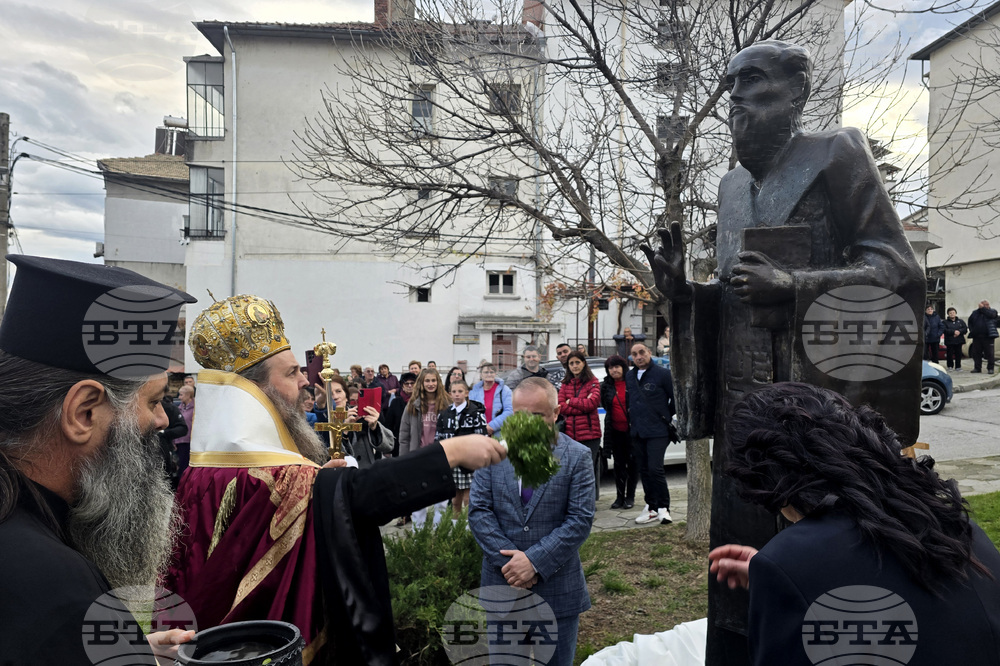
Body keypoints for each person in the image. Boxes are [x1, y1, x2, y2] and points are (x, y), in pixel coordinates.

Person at [642, 40, 925, 664]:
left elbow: (898, 271)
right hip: (742, 423)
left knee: (814, 575)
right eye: (731, 85)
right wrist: (684, 295)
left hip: (813, 420)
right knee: (735, 590)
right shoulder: (730, 187)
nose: (735, 98)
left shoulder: (837, 153)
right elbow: (733, 300)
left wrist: (795, 286)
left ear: (797, 91)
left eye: (752, 80)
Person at [170, 295, 506, 664]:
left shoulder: (198, 474)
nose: (305, 380)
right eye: (291, 373)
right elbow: (357, 496)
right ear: (252, 392)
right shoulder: (272, 476)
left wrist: (318, 484)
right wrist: (451, 454)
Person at [708, 382, 1000, 666]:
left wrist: (789, 575)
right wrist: (791, 580)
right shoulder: (953, 525)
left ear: (761, 477)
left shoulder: (793, 561)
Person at [0, 255, 199, 664]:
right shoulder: (59, 591)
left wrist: (129, 652)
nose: (163, 420)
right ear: (84, 412)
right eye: (153, 401)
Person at [469, 378, 595, 666]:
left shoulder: (577, 457)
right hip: (503, 586)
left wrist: (534, 562)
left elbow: (580, 519)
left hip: (557, 592)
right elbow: (479, 512)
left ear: (556, 413)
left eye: (537, 415)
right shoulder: (491, 454)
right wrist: (513, 566)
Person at [626, 343, 677, 525]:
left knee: (655, 469)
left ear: (649, 352)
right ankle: (651, 507)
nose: (639, 357)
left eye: (642, 352)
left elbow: (675, 398)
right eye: (634, 354)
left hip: (658, 430)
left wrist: (666, 415)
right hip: (638, 430)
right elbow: (629, 400)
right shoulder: (630, 376)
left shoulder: (663, 374)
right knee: (644, 470)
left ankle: (664, 507)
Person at [398, 367, 452, 527]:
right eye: (427, 380)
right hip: (418, 456)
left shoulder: (447, 404)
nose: (430, 384)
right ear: (421, 383)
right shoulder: (412, 405)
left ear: (438, 382)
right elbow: (404, 435)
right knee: (418, 499)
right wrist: (404, 459)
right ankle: (418, 534)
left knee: (442, 500)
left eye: (433, 380)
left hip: (440, 456)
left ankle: (439, 532)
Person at [436, 379, 487, 519]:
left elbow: (482, 436)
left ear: (467, 393)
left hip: (470, 460)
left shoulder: (476, 413)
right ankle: (455, 526)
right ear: (449, 394)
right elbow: (439, 437)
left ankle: (469, 526)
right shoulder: (444, 414)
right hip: (452, 460)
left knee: (468, 498)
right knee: (455, 499)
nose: (457, 394)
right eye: (454, 392)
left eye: (460, 391)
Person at [557, 351, 602, 501]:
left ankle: (590, 501)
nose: (575, 366)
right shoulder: (565, 384)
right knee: (573, 470)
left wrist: (572, 401)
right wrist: (580, 406)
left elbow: (592, 404)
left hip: (590, 435)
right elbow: (561, 407)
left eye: (577, 362)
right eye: (571, 363)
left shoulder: (593, 382)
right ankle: (575, 500)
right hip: (570, 435)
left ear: (584, 363)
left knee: (589, 469)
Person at [327, 375, 393, 469]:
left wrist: (375, 428)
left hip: (365, 472)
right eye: (330, 393)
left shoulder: (358, 414)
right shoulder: (323, 420)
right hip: (340, 474)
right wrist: (344, 430)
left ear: (346, 396)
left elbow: (389, 446)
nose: (335, 397)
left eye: (338, 391)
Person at [601, 355, 637, 510]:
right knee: (618, 465)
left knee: (633, 464)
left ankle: (630, 497)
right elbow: (606, 405)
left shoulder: (632, 382)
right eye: (610, 368)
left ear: (623, 367)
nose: (614, 370)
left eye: (616, 367)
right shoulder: (606, 386)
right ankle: (619, 497)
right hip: (615, 431)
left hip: (632, 431)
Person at [469, 362, 513, 437]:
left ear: (495, 374)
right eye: (486, 372)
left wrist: (492, 426)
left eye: (491, 372)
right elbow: (470, 412)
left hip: (499, 433)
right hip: (479, 434)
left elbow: (509, 411)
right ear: (481, 374)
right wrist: (482, 427)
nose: (489, 374)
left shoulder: (505, 390)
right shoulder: (474, 392)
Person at [969, 300, 998, 374]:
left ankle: (990, 368)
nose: (986, 306)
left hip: (988, 336)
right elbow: (970, 321)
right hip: (977, 336)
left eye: (987, 304)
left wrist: (983, 309)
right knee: (976, 353)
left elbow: (991, 315)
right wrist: (972, 330)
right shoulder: (975, 313)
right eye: (984, 305)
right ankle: (977, 368)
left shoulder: (993, 311)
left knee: (990, 353)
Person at [175, 384, 195, 479]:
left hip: (189, 442)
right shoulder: (180, 407)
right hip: (179, 441)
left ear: (188, 395)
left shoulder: (195, 409)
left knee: (186, 466)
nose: (179, 397)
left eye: (181, 395)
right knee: (180, 466)